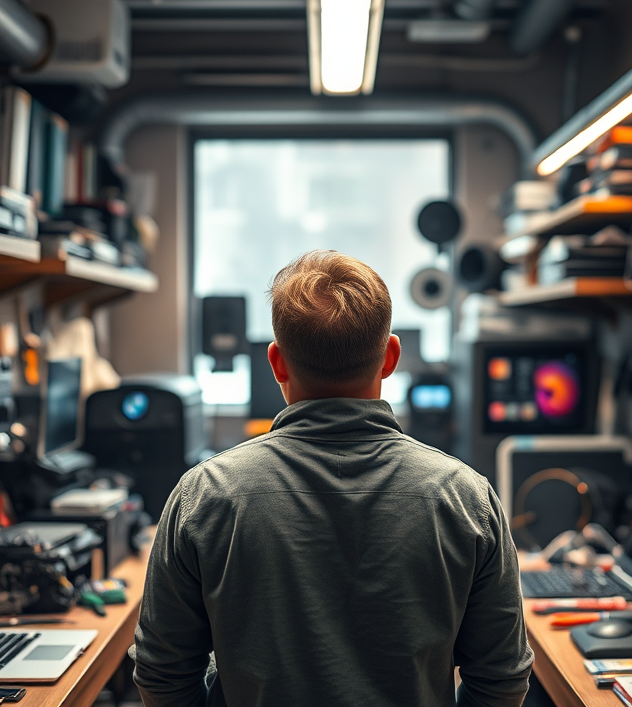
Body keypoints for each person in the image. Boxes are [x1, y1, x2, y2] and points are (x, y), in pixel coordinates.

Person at [132, 250, 532, 707]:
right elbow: (502, 680)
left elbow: (162, 675)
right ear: (390, 357)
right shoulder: (465, 498)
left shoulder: (204, 496)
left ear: (277, 363)